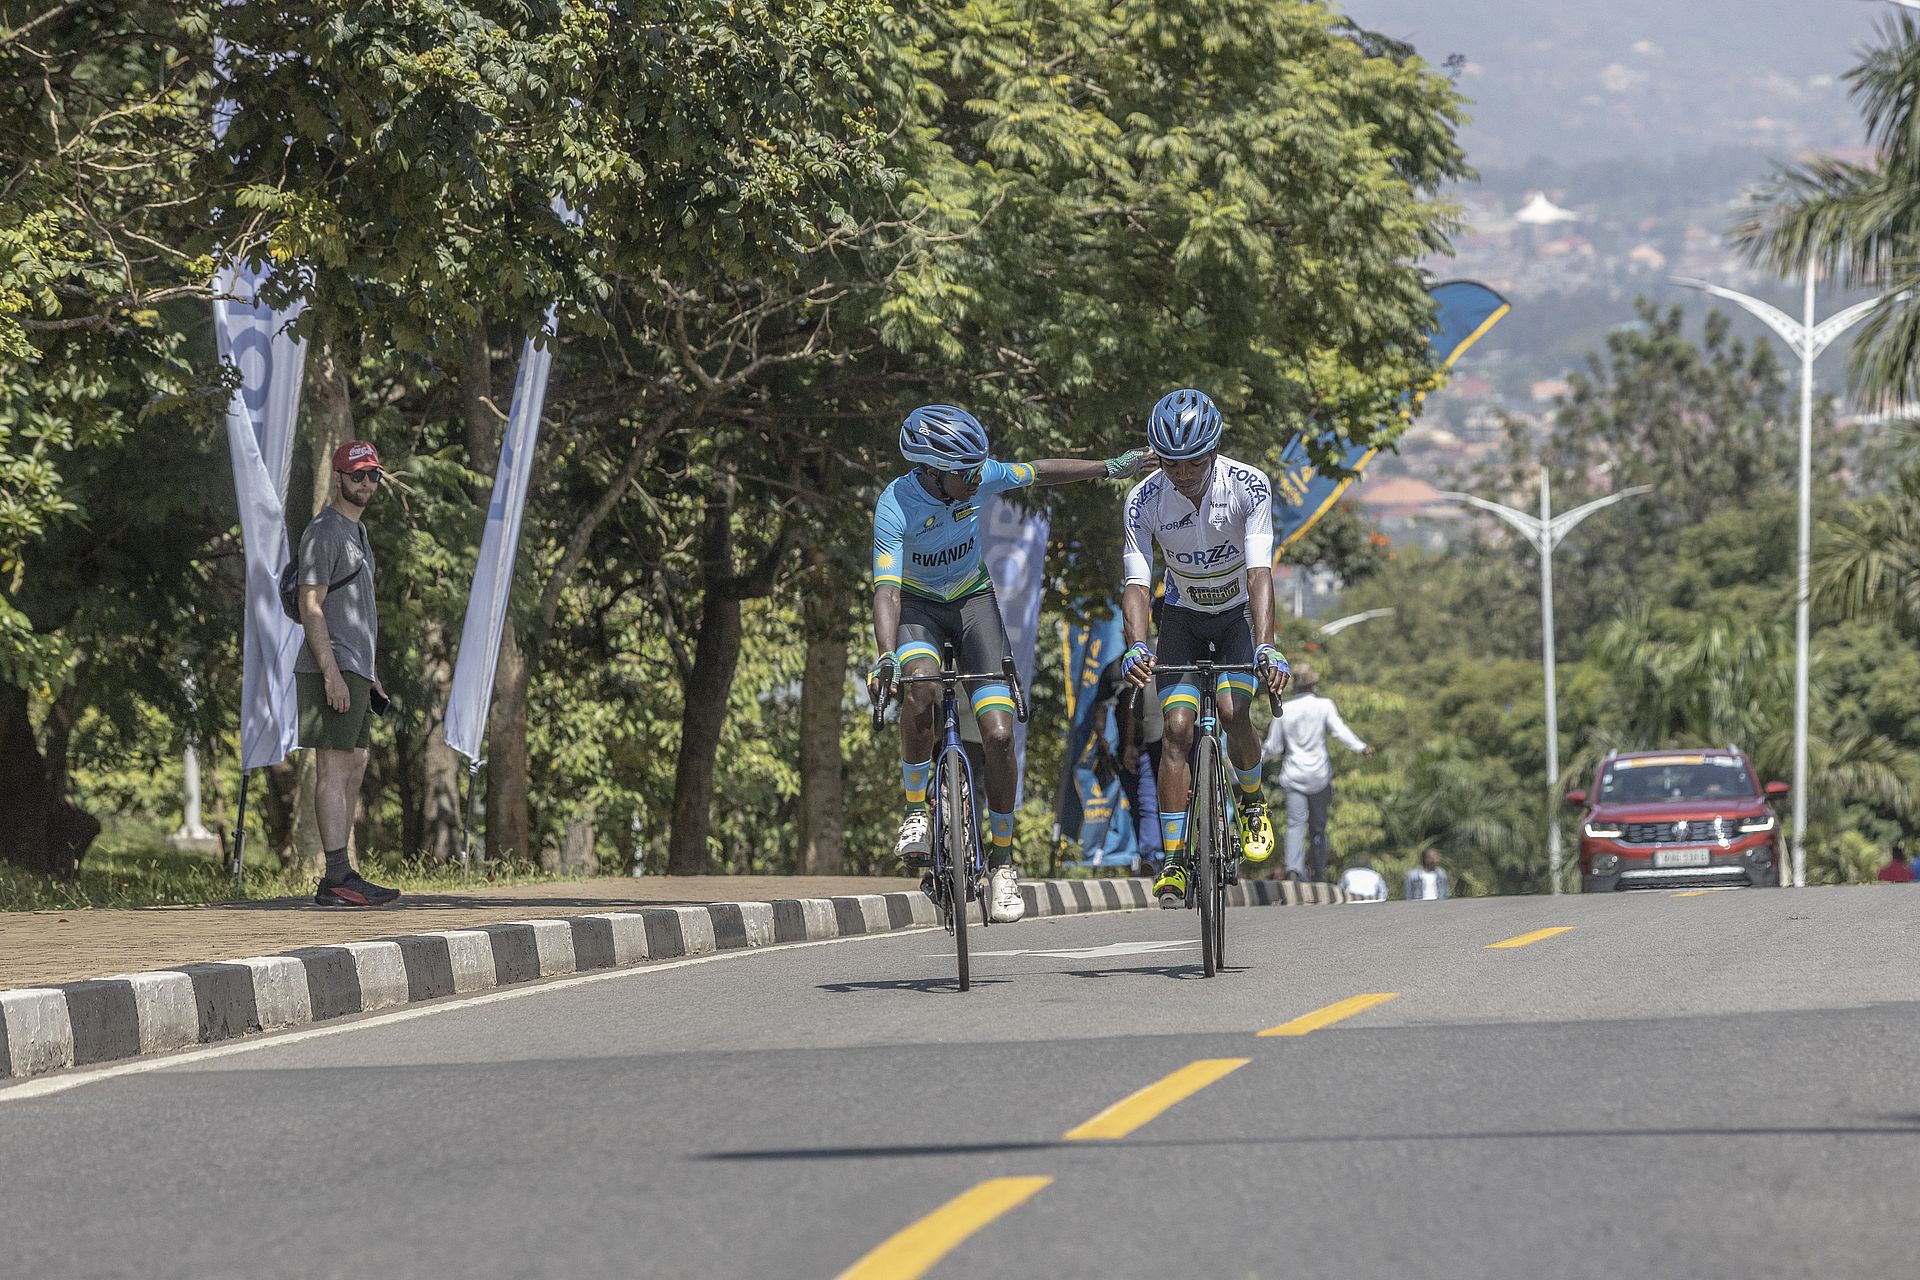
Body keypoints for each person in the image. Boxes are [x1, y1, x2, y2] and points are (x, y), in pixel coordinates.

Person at [868, 406, 1150, 923]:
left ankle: (1003, 865)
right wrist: (886, 652)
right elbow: (886, 589)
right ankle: (915, 812)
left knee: (998, 734)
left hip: (973, 601)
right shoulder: (895, 505)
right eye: (965, 473)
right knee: (920, 688)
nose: (977, 479)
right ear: (931, 471)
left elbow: (1040, 471)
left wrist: (1112, 466)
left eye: (980, 470)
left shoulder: (977, 476)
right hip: (917, 609)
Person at [1118, 388, 1290, 909]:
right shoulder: (1143, 499)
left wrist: (1266, 647)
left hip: (1237, 616)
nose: (1183, 472)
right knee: (1175, 730)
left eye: (1194, 460)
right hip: (1183, 620)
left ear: (1213, 451)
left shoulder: (1248, 487)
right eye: (1172, 462)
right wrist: (1135, 645)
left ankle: (1252, 799)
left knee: (1234, 711)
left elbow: (1260, 573)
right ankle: (1172, 862)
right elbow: (1138, 584)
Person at [295, 440, 399, 907]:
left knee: (354, 764)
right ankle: (335, 876)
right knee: (332, 768)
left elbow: (358, 610)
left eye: (373, 475)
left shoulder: (358, 533)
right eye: (357, 475)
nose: (366, 483)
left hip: (357, 667)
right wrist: (331, 672)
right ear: (338, 477)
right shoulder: (324, 531)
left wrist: (369, 673)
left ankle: (343, 874)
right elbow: (310, 604)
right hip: (331, 665)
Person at [1260, 662, 1370, 884]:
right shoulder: (1324, 705)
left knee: (1295, 824)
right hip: (1319, 776)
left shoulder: (1285, 709)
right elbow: (1340, 731)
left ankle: (1294, 869)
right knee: (1318, 827)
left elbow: (1273, 747)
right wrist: (1361, 747)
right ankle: (1318, 872)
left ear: (1294, 687)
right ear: (1313, 684)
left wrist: (1253, 762)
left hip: (1293, 775)